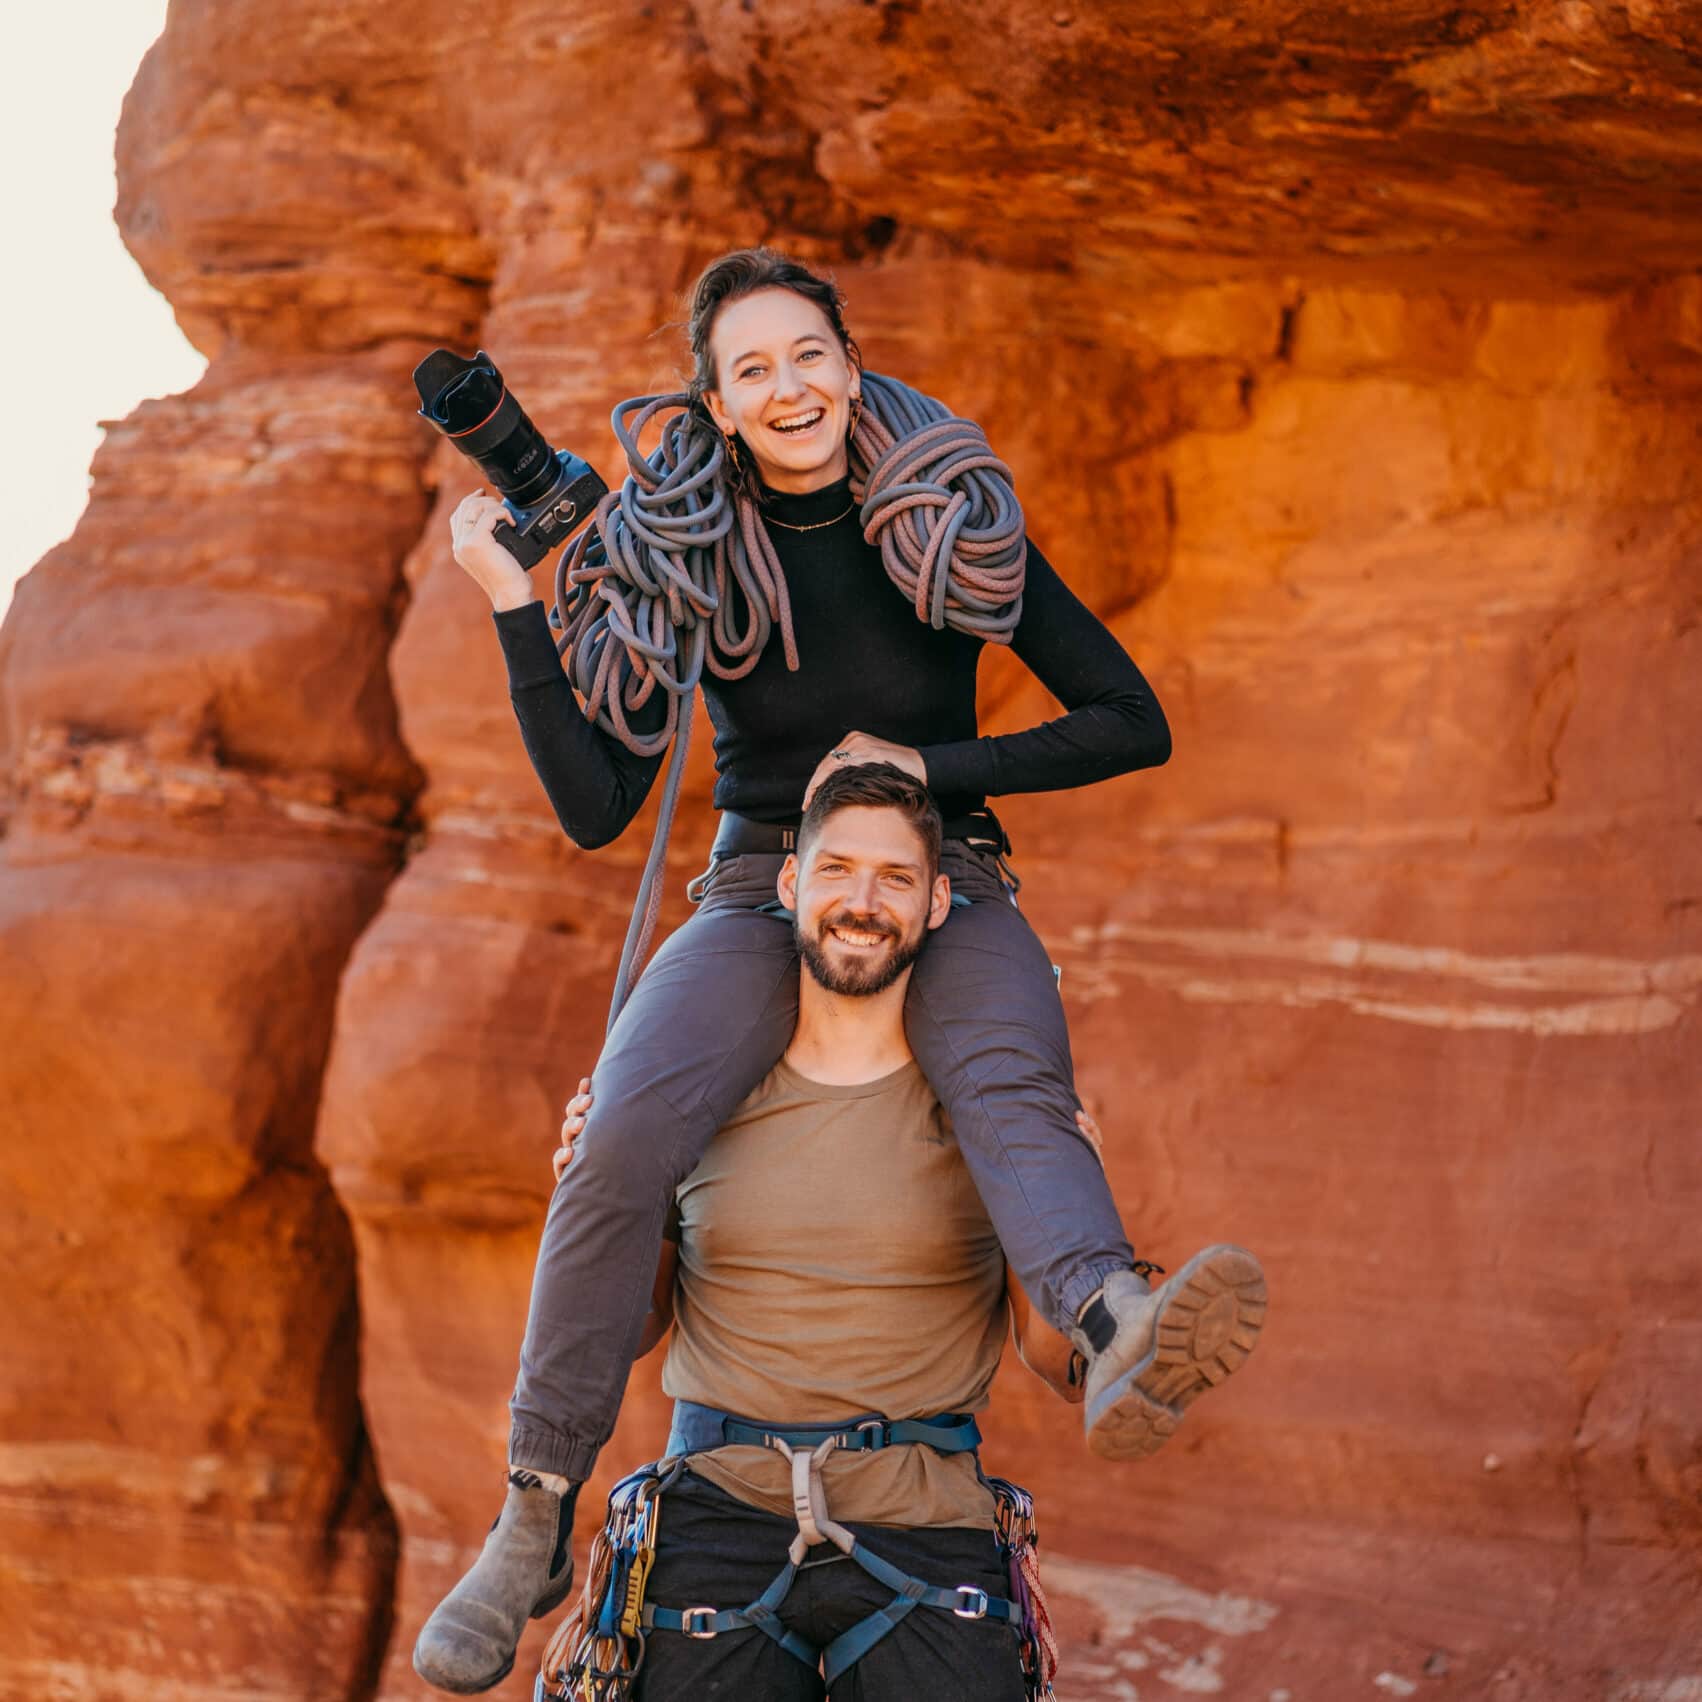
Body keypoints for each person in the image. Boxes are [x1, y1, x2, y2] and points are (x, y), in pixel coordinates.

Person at [413, 249, 1267, 1694]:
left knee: (1005, 1075)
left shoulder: (941, 512)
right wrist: (509, 598)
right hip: (763, 876)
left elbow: (1129, 717)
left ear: (848, 365)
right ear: (718, 402)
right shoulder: (681, 535)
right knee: (617, 1132)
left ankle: (1114, 1322)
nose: (787, 386)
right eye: (750, 369)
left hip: (941, 863)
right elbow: (592, 804)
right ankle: (533, 1509)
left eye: (807, 354)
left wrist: (919, 765)